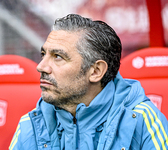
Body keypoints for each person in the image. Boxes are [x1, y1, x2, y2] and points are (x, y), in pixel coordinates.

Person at [9, 14, 168, 150]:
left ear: (96, 71)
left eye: (58, 56)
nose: (40, 66)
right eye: (43, 54)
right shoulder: (31, 124)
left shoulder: (141, 120)